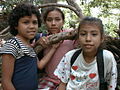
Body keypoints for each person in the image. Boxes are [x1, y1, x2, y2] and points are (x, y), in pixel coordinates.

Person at [0, 3, 59, 90]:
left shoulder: (30, 47)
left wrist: (54, 48)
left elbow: (39, 65)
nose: (31, 26)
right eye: (26, 22)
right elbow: (6, 81)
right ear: (16, 25)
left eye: (34, 22)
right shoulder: (12, 44)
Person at [54, 16, 117, 90]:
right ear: (78, 37)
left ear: (102, 38)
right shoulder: (70, 56)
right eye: (83, 34)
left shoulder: (107, 58)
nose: (88, 39)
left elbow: (111, 86)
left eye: (94, 34)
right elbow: (63, 84)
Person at [37, 7, 77, 90]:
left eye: (57, 19)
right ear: (45, 22)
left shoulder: (71, 35)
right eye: (49, 20)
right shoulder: (43, 39)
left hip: (70, 80)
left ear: (63, 22)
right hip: (50, 79)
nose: (53, 23)